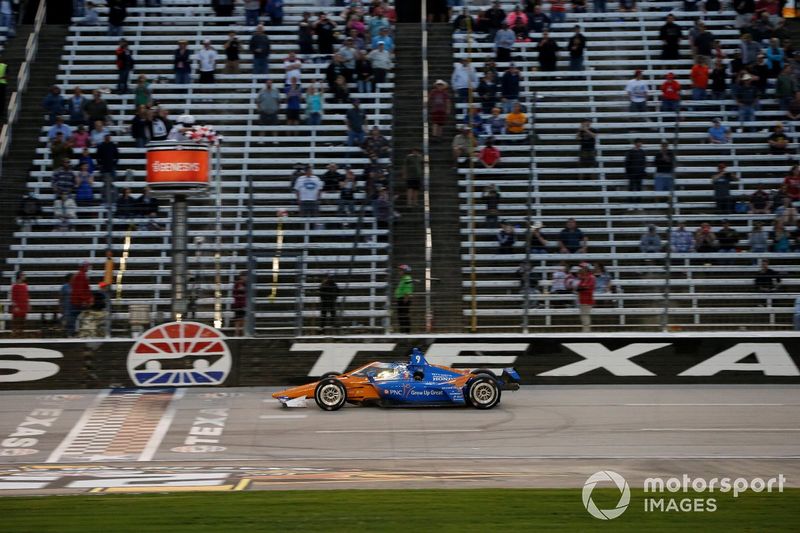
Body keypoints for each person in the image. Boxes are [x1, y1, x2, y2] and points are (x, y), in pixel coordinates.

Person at [256, 79, 280, 143]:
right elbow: (258, 101)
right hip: (263, 112)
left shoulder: (276, 91)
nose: (269, 84)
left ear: (272, 84)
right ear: (265, 84)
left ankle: (275, 142)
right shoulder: (261, 91)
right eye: (268, 83)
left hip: (273, 112)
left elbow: (278, 101)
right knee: (262, 128)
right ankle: (261, 142)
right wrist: (260, 109)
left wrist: (277, 109)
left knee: (274, 128)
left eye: (270, 83)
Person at [576, 263, 596, 332]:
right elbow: (578, 288)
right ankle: (585, 330)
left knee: (585, 315)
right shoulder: (583, 278)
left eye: (582, 268)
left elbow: (586, 287)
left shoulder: (591, 277)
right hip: (582, 298)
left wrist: (580, 288)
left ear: (586, 269)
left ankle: (586, 331)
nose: (580, 269)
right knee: (583, 315)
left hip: (587, 299)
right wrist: (580, 288)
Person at [10, 272, 29, 338]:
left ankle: (21, 334)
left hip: (24, 306)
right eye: (23, 275)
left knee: (23, 321)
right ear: (19, 276)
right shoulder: (14, 286)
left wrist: (28, 304)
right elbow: (13, 298)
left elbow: (26, 296)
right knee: (16, 321)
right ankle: (14, 335)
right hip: (17, 306)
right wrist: (15, 306)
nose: (24, 276)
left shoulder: (25, 285)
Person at [232, 271, 247, 336]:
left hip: (244, 304)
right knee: (238, 319)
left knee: (243, 319)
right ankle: (237, 333)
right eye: (244, 276)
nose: (245, 277)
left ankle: (243, 333)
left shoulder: (247, 284)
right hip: (238, 304)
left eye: (246, 276)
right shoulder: (237, 284)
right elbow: (234, 294)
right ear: (240, 277)